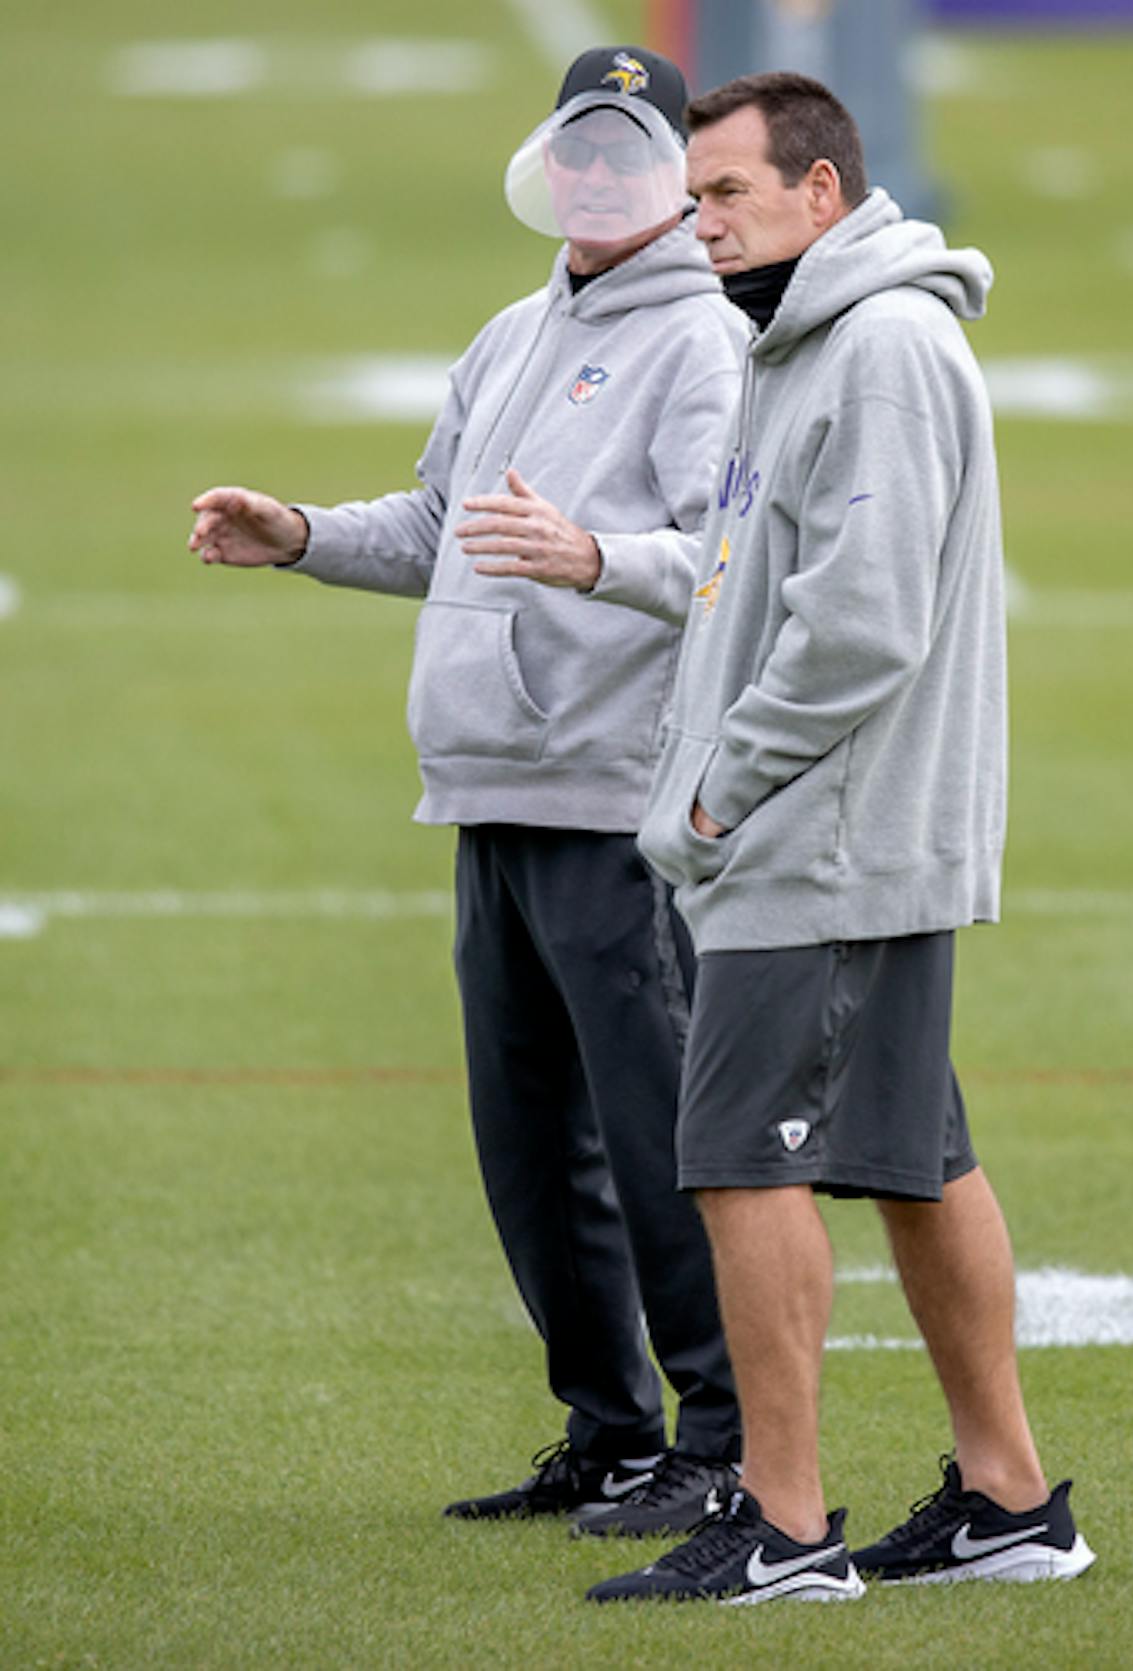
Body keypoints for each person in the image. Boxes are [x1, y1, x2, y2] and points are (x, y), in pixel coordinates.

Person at [186, 46, 746, 1536]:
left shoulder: (705, 343)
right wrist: (300, 530)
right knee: (526, 1141)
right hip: (489, 789)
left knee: (650, 1139)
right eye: (579, 146)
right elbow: (442, 519)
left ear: (676, 170)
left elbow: (731, 566)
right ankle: (612, 1428)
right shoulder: (513, 330)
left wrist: (594, 561)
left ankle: (724, 1441)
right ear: (549, 158)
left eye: (627, 149)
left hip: (611, 799)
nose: (595, 173)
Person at [554, 72, 1095, 1602]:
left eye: (726, 194)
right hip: (829, 833)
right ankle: (1006, 1503)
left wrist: (722, 792)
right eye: (694, 196)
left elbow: (858, 625)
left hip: (817, 841)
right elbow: (746, 580)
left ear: (823, 193)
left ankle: (784, 1531)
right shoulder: (798, 343)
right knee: (919, 1161)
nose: (698, 222)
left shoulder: (879, 349)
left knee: (739, 1160)